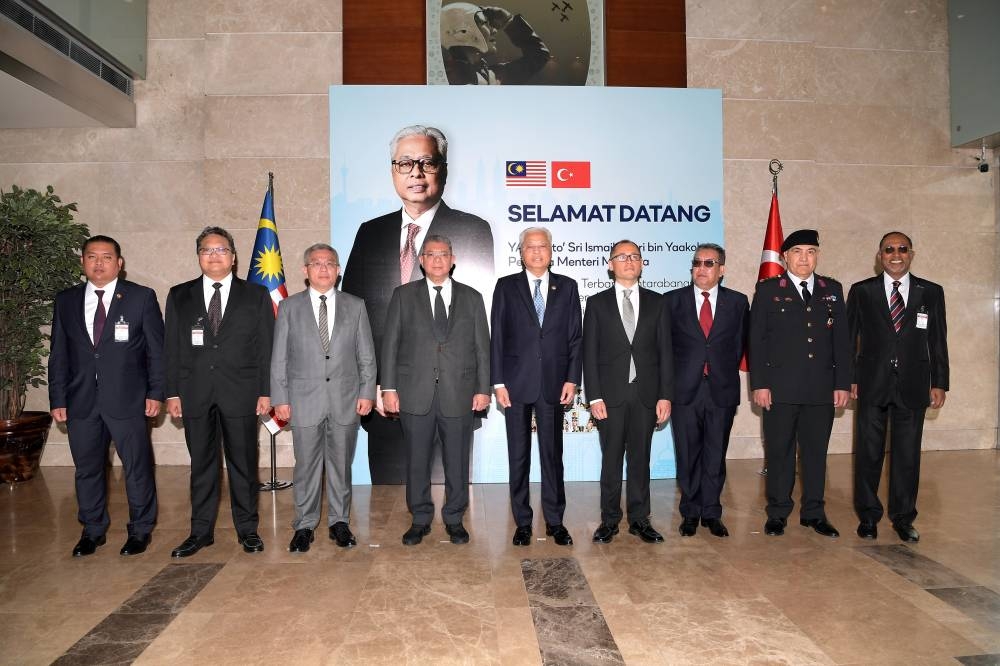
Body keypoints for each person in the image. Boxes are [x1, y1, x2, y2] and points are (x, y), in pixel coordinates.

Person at [341, 124, 494, 484]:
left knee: (450, 491)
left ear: (443, 167)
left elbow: (475, 321)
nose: (416, 172)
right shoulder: (370, 232)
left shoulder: (472, 230)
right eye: (404, 163)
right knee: (389, 502)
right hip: (385, 396)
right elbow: (354, 317)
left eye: (427, 162)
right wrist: (373, 385)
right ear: (392, 170)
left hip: (449, 394)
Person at [48, 235, 164, 557]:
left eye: (107, 257)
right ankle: (93, 530)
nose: (99, 263)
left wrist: (156, 392)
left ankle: (140, 530)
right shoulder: (66, 301)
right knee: (87, 469)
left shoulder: (141, 298)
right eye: (92, 257)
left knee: (137, 468)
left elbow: (156, 351)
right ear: (82, 262)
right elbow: (58, 353)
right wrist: (57, 398)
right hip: (81, 400)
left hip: (128, 399)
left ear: (119, 264)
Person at [164, 226, 274, 557]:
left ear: (234, 257)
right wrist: (172, 392)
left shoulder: (255, 295)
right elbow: (172, 348)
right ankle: (200, 532)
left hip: (241, 393)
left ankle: (247, 530)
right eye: (208, 250)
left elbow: (266, 348)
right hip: (194, 393)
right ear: (199, 256)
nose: (215, 256)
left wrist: (266, 391)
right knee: (202, 464)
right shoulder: (179, 295)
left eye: (221, 250)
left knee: (243, 463)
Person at [380, 235, 490, 546]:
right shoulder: (403, 296)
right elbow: (390, 346)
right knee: (416, 460)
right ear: (421, 260)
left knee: (457, 460)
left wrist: (483, 388)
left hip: (460, 392)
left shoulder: (472, 297)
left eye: (443, 254)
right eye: (431, 254)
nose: (437, 259)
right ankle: (420, 518)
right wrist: (388, 387)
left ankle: (454, 519)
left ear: (452, 259)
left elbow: (483, 348)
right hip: (414, 393)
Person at [271, 244, 377, 553]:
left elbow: (366, 357)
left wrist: (367, 392)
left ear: (339, 269)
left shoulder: (355, 306)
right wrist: (281, 397)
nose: (323, 268)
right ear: (305, 271)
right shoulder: (289, 307)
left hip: (345, 399)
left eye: (330, 263)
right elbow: (280, 358)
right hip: (303, 401)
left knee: (341, 465)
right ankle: (304, 525)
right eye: (316, 264)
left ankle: (339, 523)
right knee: (306, 466)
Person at [749, 229, 851, 538]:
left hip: (821, 388)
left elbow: (842, 342)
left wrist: (843, 383)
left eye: (810, 251)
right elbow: (757, 341)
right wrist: (761, 384)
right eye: (797, 252)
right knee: (779, 451)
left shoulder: (832, 289)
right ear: (784, 258)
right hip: (780, 388)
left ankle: (814, 513)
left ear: (817, 255)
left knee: (816, 453)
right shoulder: (768, 290)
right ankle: (778, 512)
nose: (804, 257)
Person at [847, 232, 948, 543]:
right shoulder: (862, 291)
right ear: (880, 255)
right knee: (868, 453)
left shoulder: (930, 292)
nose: (895, 254)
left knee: (907, 456)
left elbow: (938, 340)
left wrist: (940, 382)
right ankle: (868, 517)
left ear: (911, 255)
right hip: (871, 384)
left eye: (902, 249)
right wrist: (848, 379)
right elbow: (849, 339)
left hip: (913, 385)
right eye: (889, 249)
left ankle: (904, 518)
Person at [490, 227, 582, 547]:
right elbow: (497, 337)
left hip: (554, 385)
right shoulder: (506, 286)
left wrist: (572, 378)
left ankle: (556, 521)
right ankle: (523, 523)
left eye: (543, 246)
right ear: (521, 251)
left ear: (551, 251)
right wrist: (498, 382)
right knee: (519, 456)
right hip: (515, 385)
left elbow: (574, 338)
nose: (537, 252)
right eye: (531, 247)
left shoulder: (567, 287)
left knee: (552, 455)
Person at [583, 240, 673, 544]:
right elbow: (589, 354)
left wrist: (665, 395)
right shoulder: (596, 304)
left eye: (635, 256)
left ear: (642, 263)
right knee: (611, 460)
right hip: (610, 397)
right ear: (610, 264)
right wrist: (594, 396)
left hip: (646, 395)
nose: (629, 261)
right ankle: (609, 520)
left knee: (640, 459)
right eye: (622, 257)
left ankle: (639, 519)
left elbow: (666, 353)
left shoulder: (658, 303)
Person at [664, 243, 748, 538]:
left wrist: (718, 370)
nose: (701, 268)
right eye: (697, 263)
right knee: (687, 454)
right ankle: (690, 511)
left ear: (721, 270)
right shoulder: (672, 301)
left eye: (709, 263)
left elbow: (738, 345)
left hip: (721, 389)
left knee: (715, 453)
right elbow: (665, 349)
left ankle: (711, 511)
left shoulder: (738, 302)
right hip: (684, 390)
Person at [440, 3, 550, 85]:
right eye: (484, 23)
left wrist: (509, 21)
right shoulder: (443, 80)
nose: (495, 30)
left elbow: (539, 56)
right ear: (461, 32)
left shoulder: (495, 75)